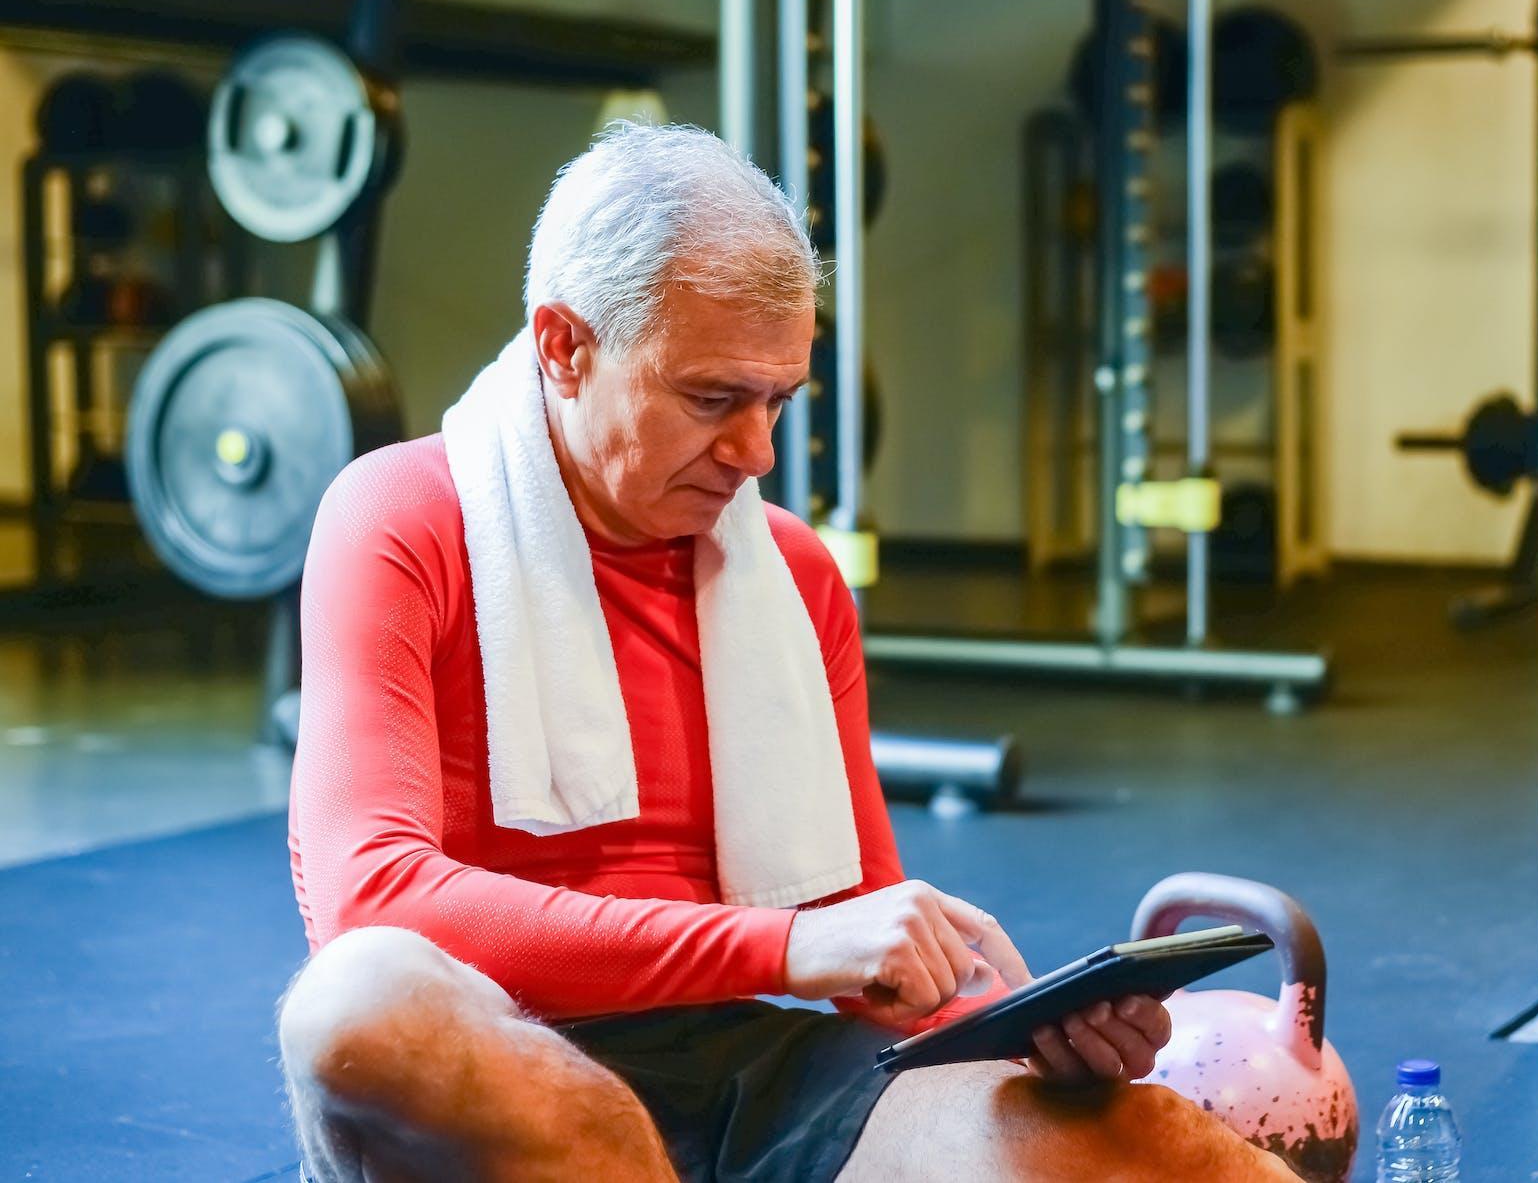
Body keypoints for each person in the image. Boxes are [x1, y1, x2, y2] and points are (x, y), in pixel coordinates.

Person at [275, 121, 1302, 1183]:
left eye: (777, 401)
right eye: (712, 398)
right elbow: (373, 899)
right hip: (493, 1062)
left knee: (1168, 1154)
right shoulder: (398, 515)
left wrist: (1031, 1026)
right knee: (359, 1003)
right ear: (563, 347)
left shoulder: (791, 573)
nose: (755, 453)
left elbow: (861, 945)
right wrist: (777, 948)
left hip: (746, 1072)